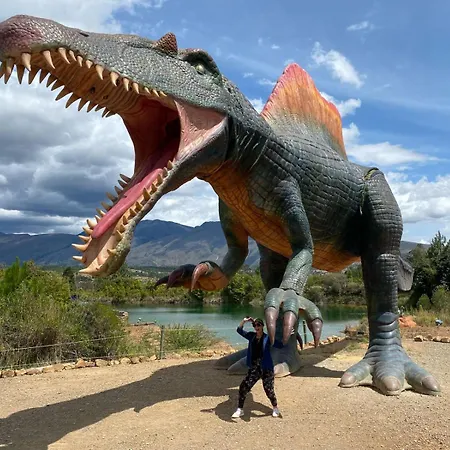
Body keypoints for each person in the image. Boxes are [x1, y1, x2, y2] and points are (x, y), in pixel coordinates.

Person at [231, 316, 283, 419]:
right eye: (255, 325)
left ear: (262, 326)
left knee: (269, 390)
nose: (256, 327)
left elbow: (280, 345)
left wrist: (287, 335)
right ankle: (240, 409)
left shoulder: (268, 338)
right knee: (243, 387)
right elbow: (239, 330)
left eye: (258, 325)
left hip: (266, 368)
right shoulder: (252, 336)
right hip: (254, 368)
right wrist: (244, 321)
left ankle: (275, 408)